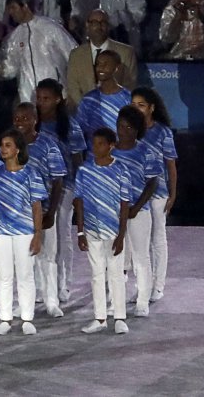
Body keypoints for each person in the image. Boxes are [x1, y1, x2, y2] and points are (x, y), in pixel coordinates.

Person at [0, 103, 67, 317]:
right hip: (15, 216)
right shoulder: (5, 147)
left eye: (25, 118)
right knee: (22, 261)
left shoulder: (49, 145)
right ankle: (26, 302)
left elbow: (58, 180)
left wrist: (51, 212)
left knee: (47, 256)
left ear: (35, 120)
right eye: (17, 118)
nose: (20, 122)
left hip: (41, 210)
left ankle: (51, 300)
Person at [0, 128, 46, 336]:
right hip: (1, 233)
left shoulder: (32, 175)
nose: (3, 149)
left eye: (8, 145)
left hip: (24, 232)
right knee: (4, 275)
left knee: (25, 274)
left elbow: (36, 207)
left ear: (18, 149)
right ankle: (5, 318)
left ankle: (27, 318)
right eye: (2, 145)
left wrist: (37, 234)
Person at [75, 127, 131, 335]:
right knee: (97, 274)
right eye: (94, 143)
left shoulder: (121, 171)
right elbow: (79, 202)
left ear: (111, 146)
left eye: (100, 143)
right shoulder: (84, 170)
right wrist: (80, 232)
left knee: (116, 274)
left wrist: (122, 235)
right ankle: (100, 318)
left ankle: (119, 317)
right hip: (92, 230)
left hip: (113, 230)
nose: (95, 147)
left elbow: (124, 204)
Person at [35, 79, 85, 304]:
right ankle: (41, 285)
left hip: (65, 186)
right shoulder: (33, 124)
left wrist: (79, 193)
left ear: (57, 99)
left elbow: (78, 161)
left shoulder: (70, 126)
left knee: (62, 234)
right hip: (38, 188)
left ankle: (63, 282)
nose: (41, 103)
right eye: (39, 98)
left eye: (46, 99)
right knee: (40, 235)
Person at [112, 106, 162, 317]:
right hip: (114, 212)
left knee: (141, 257)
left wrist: (137, 206)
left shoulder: (145, 151)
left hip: (138, 212)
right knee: (117, 256)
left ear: (138, 129)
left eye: (129, 127)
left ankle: (143, 299)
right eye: (120, 126)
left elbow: (152, 183)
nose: (123, 131)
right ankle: (117, 299)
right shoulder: (111, 151)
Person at [130, 87, 177, 303]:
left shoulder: (163, 132)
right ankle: (142, 287)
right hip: (135, 194)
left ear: (151, 108)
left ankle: (158, 286)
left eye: (141, 105)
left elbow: (171, 165)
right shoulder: (129, 131)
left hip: (158, 193)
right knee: (138, 243)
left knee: (157, 238)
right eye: (133, 105)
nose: (136, 109)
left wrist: (173, 193)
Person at [0, 0, 75, 104]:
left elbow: (72, 53)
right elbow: (11, 68)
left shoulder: (50, 28)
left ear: (25, 7)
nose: (10, 12)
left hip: (55, 94)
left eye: (13, 7)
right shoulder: (15, 36)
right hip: (28, 97)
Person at [66, 9, 138, 109]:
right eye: (95, 22)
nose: (99, 26)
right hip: (84, 112)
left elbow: (129, 85)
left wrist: (110, 108)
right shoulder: (76, 55)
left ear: (108, 26)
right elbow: (72, 87)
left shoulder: (126, 52)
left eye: (103, 22)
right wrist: (88, 108)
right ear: (87, 26)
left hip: (115, 112)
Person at [76, 50, 133, 146]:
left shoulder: (128, 98)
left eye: (106, 64)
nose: (100, 68)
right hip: (94, 157)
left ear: (117, 68)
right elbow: (79, 132)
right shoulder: (88, 100)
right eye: (98, 64)